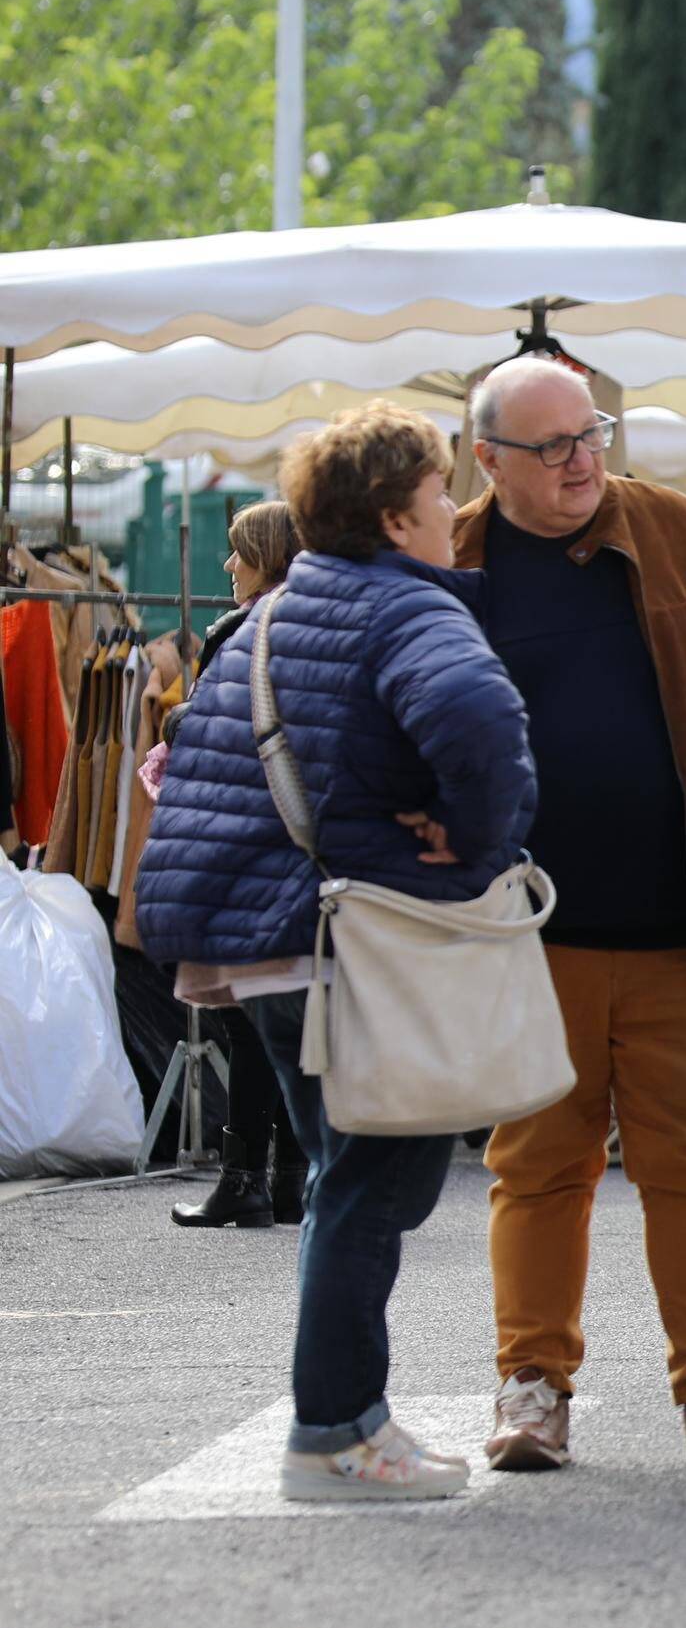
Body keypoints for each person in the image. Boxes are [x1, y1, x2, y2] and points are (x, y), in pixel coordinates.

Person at [136, 402, 538, 1499]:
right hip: (358, 940)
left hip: (269, 948)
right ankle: (334, 1434)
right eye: (439, 489)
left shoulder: (274, 611)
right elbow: (483, 727)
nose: (453, 508)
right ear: (395, 514)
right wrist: (475, 848)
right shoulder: (411, 610)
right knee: (373, 1187)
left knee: (342, 1181)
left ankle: (349, 1419)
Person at [462, 358, 686, 1474]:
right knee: (538, 1166)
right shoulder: (456, 553)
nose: (579, 460)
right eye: (550, 445)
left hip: (682, 921)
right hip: (522, 935)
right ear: (488, 459)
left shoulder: (679, 532)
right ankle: (532, 1388)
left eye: (591, 433)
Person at [162, 499, 307, 1230]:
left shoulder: (243, 628)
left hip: (248, 843)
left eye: (238, 549)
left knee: (251, 1014)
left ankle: (244, 1179)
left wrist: (172, 723)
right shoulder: (313, 621)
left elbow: (216, 728)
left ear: (267, 553)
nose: (227, 565)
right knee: (287, 1009)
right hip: (302, 845)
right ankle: (286, 1178)